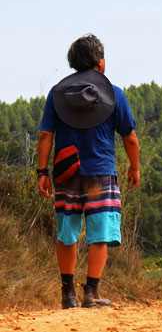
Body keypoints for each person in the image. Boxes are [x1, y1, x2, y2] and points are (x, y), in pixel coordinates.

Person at [37, 34, 140, 309]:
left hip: (66, 172)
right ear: (100, 62)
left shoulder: (57, 93)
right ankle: (91, 293)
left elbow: (45, 135)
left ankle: (67, 293)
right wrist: (134, 168)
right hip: (101, 172)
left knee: (66, 232)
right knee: (100, 233)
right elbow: (130, 138)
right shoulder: (114, 94)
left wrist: (41, 172)